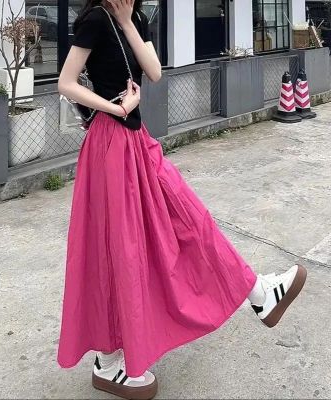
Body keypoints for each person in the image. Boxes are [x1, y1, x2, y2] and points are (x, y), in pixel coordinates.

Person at [57, 1, 307, 399]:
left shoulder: (136, 18)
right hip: (110, 146)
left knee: (187, 220)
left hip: (136, 143)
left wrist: (128, 23)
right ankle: (108, 360)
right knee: (117, 249)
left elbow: (155, 72)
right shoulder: (94, 20)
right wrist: (116, 107)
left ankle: (258, 292)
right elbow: (66, 82)